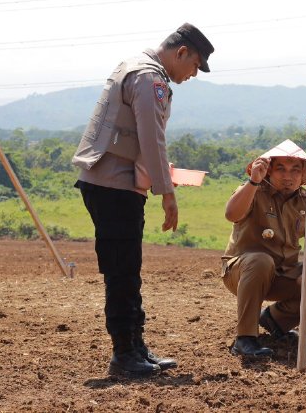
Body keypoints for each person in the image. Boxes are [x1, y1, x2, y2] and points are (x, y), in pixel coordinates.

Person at [71, 23, 214, 377]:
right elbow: (152, 139)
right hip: (113, 187)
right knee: (122, 272)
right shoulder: (151, 79)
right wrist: (167, 192)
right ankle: (124, 354)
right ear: (181, 53)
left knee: (127, 269)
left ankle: (135, 347)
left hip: (111, 182)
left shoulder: (134, 66)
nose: (193, 74)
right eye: (194, 65)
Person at [222, 139, 306, 357]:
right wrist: (253, 182)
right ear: (268, 170)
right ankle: (245, 338)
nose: (287, 176)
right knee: (261, 261)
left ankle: (275, 320)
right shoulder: (253, 191)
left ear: (304, 175)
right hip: (243, 271)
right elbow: (231, 214)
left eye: (295, 170)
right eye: (280, 168)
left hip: (284, 272)